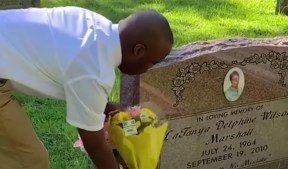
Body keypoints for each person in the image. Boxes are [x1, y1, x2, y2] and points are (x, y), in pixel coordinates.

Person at [0, 6, 173, 169]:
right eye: (152, 62)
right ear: (138, 50)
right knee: (29, 161)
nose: (148, 68)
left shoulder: (93, 25)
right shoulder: (95, 70)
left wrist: (103, 107)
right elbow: (95, 144)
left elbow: (75, 70)